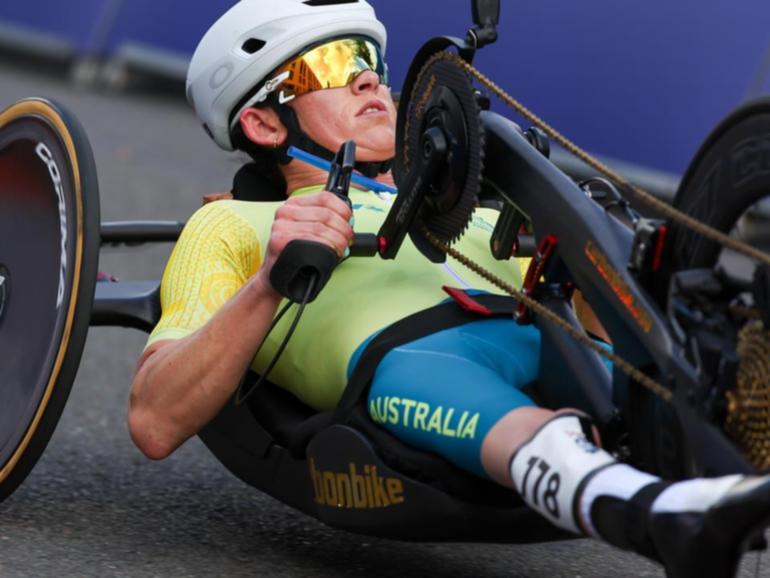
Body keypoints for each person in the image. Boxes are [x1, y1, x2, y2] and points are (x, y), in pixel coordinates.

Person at [129, 1, 770, 575]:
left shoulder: (477, 214)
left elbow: (602, 344)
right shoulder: (234, 224)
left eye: (372, 60)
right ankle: (648, 511)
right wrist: (271, 280)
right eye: (330, 62)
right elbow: (155, 420)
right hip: (416, 369)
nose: (368, 77)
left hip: (543, 349)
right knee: (413, 369)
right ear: (266, 126)